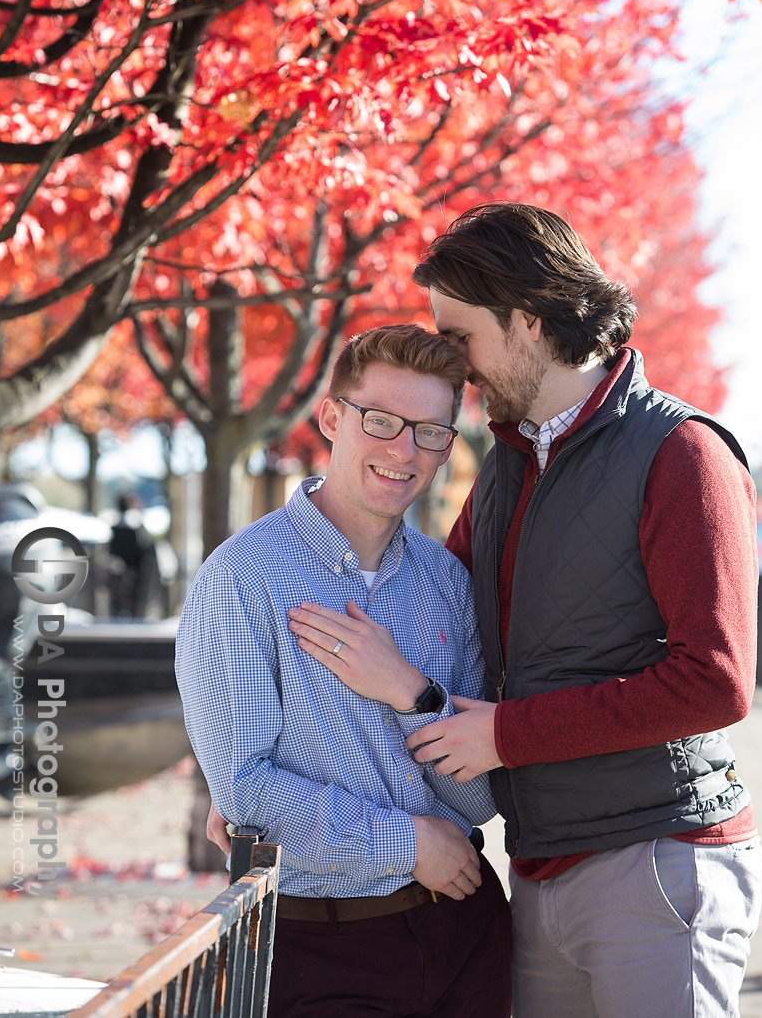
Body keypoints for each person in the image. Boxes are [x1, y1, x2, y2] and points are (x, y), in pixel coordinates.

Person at [400, 201, 762, 1018]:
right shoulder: (500, 466)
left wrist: (502, 734)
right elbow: (426, 615)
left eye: (459, 337)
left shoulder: (683, 454)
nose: (453, 366)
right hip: (538, 867)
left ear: (527, 321)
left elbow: (714, 683)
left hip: (660, 866)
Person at [174, 324, 512, 1018]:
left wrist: (411, 694)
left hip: (470, 932)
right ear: (331, 418)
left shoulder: (447, 582)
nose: (404, 451)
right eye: (381, 421)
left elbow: (481, 801)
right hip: (323, 949)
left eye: (430, 431)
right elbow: (243, 796)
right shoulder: (243, 578)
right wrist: (409, 841)